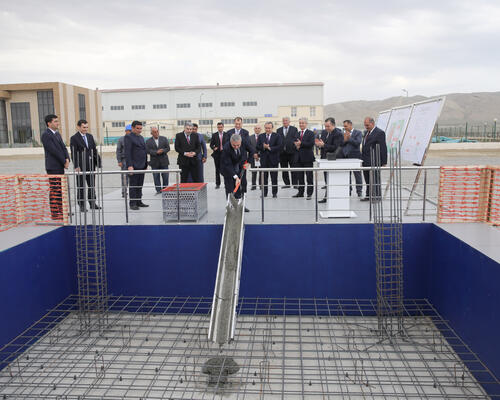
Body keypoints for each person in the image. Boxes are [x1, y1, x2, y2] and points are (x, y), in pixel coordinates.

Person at [41, 114, 70, 220]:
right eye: (55, 121)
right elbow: (54, 151)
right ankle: (55, 213)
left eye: (58, 121)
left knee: (60, 189)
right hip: (53, 166)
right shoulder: (46, 135)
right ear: (49, 123)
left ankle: (62, 211)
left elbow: (63, 148)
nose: (58, 123)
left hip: (60, 166)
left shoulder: (57, 134)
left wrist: (67, 159)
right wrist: (63, 161)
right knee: (55, 189)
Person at [70, 119, 101, 212]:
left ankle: (92, 203)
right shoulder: (74, 138)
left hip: (91, 165)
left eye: (87, 127)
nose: (85, 129)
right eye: (84, 127)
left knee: (92, 185)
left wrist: (98, 162)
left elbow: (94, 150)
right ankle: (82, 205)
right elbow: (73, 153)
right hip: (80, 166)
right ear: (78, 127)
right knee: (81, 186)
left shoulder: (90, 136)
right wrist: (76, 166)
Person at [316, 117, 343, 203]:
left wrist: (324, 145)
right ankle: (327, 196)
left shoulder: (338, 134)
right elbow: (323, 144)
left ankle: (330, 197)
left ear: (333, 125)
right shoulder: (324, 132)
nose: (326, 128)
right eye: (325, 126)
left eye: (328, 126)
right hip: (325, 159)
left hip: (333, 160)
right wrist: (319, 145)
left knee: (332, 180)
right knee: (326, 179)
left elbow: (335, 147)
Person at [220, 133, 250, 211]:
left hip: (238, 167)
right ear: (230, 142)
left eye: (238, 145)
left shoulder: (244, 142)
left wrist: (249, 162)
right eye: (234, 145)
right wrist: (236, 177)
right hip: (227, 169)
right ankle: (230, 207)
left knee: (239, 188)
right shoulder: (226, 148)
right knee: (230, 189)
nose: (236, 147)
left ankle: (239, 206)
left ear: (240, 142)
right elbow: (228, 165)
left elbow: (252, 150)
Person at [225, 117, 254, 195]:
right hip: (232, 161)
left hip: (242, 161)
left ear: (242, 124)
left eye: (239, 124)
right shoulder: (229, 133)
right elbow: (226, 146)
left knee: (243, 179)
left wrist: (248, 162)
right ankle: (234, 195)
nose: (238, 125)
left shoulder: (245, 133)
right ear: (234, 123)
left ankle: (243, 194)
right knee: (233, 178)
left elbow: (250, 147)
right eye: (236, 124)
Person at [361, 116, 387, 201]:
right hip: (365, 161)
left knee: (375, 180)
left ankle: (377, 197)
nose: (366, 127)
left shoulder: (380, 133)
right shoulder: (366, 133)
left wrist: (384, 162)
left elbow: (383, 147)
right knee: (367, 180)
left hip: (374, 160)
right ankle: (368, 195)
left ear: (372, 123)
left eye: (367, 125)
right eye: (365, 125)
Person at [124, 121, 149, 210]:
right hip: (134, 166)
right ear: (133, 128)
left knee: (140, 185)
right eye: (137, 128)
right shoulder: (128, 137)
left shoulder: (141, 137)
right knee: (133, 185)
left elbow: (144, 151)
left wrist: (146, 164)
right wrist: (129, 165)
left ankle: (139, 201)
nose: (139, 130)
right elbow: (127, 152)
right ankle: (133, 203)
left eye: (141, 128)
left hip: (142, 165)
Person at [256, 122, 283, 198]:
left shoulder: (277, 136)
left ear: (272, 128)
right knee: (264, 178)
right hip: (264, 160)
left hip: (274, 160)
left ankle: (274, 193)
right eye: (266, 128)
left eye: (269, 128)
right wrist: (263, 147)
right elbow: (257, 146)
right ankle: (264, 193)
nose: (267, 129)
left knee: (274, 178)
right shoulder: (261, 136)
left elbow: (279, 146)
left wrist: (269, 148)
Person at [338, 120, 363, 198]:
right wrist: (344, 140)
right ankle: (348, 190)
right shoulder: (343, 133)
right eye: (344, 126)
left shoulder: (358, 133)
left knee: (357, 175)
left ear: (350, 125)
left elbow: (358, 143)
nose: (345, 128)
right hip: (345, 157)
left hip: (355, 157)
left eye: (346, 126)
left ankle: (359, 191)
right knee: (347, 175)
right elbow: (341, 144)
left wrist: (349, 138)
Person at [292, 118, 315, 199]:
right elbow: (293, 143)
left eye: (303, 123)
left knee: (309, 177)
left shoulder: (310, 133)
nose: (301, 124)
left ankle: (309, 193)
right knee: (300, 177)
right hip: (298, 159)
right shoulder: (297, 133)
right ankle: (300, 192)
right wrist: (296, 146)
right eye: (300, 123)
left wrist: (301, 144)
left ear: (306, 124)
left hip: (308, 158)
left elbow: (311, 144)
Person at [145, 126, 170, 194]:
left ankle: (165, 190)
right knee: (156, 177)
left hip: (164, 162)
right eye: (154, 132)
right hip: (154, 162)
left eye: (157, 131)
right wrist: (156, 152)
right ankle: (158, 190)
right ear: (151, 133)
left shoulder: (164, 139)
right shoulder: (148, 141)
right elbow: (147, 151)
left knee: (165, 176)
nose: (156, 133)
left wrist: (163, 151)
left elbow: (168, 148)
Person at [277, 117, 299, 188]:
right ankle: (287, 184)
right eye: (283, 121)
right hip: (282, 153)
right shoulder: (279, 130)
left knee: (293, 169)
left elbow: (296, 139)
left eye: (286, 121)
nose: (285, 122)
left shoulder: (294, 129)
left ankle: (295, 184)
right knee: (284, 169)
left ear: (289, 121)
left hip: (292, 152)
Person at [116, 124, 132, 197]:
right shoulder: (121, 139)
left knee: (133, 177)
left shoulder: (134, 139)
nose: (130, 132)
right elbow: (118, 151)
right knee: (124, 177)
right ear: (126, 131)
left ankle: (133, 192)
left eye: (131, 131)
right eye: (129, 131)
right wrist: (119, 161)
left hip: (133, 160)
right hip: (124, 160)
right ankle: (124, 192)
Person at [209, 122, 225, 188]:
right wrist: (213, 148)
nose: (220, 128)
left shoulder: (227, 134)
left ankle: (226, 183)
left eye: (221, 127)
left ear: (223, 127)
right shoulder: (214, 135)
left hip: (224, 154)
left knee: (225, 169)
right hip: (217, 155)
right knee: (217, 170)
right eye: (218, 127)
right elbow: (211, 145)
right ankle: (217, 184)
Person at [249, 125, 261, 190]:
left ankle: (261, 185)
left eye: (258, 128)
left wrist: (258, 155)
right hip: (253, 157)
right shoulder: (250, 137)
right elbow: (249, 147)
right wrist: (254, 154)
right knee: (254, 172)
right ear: (254, 129)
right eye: (256, 128)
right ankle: (254, 185)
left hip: (261, 157)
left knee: (261, 172)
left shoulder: (263, 136)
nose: (257, 129)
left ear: (260, 129)